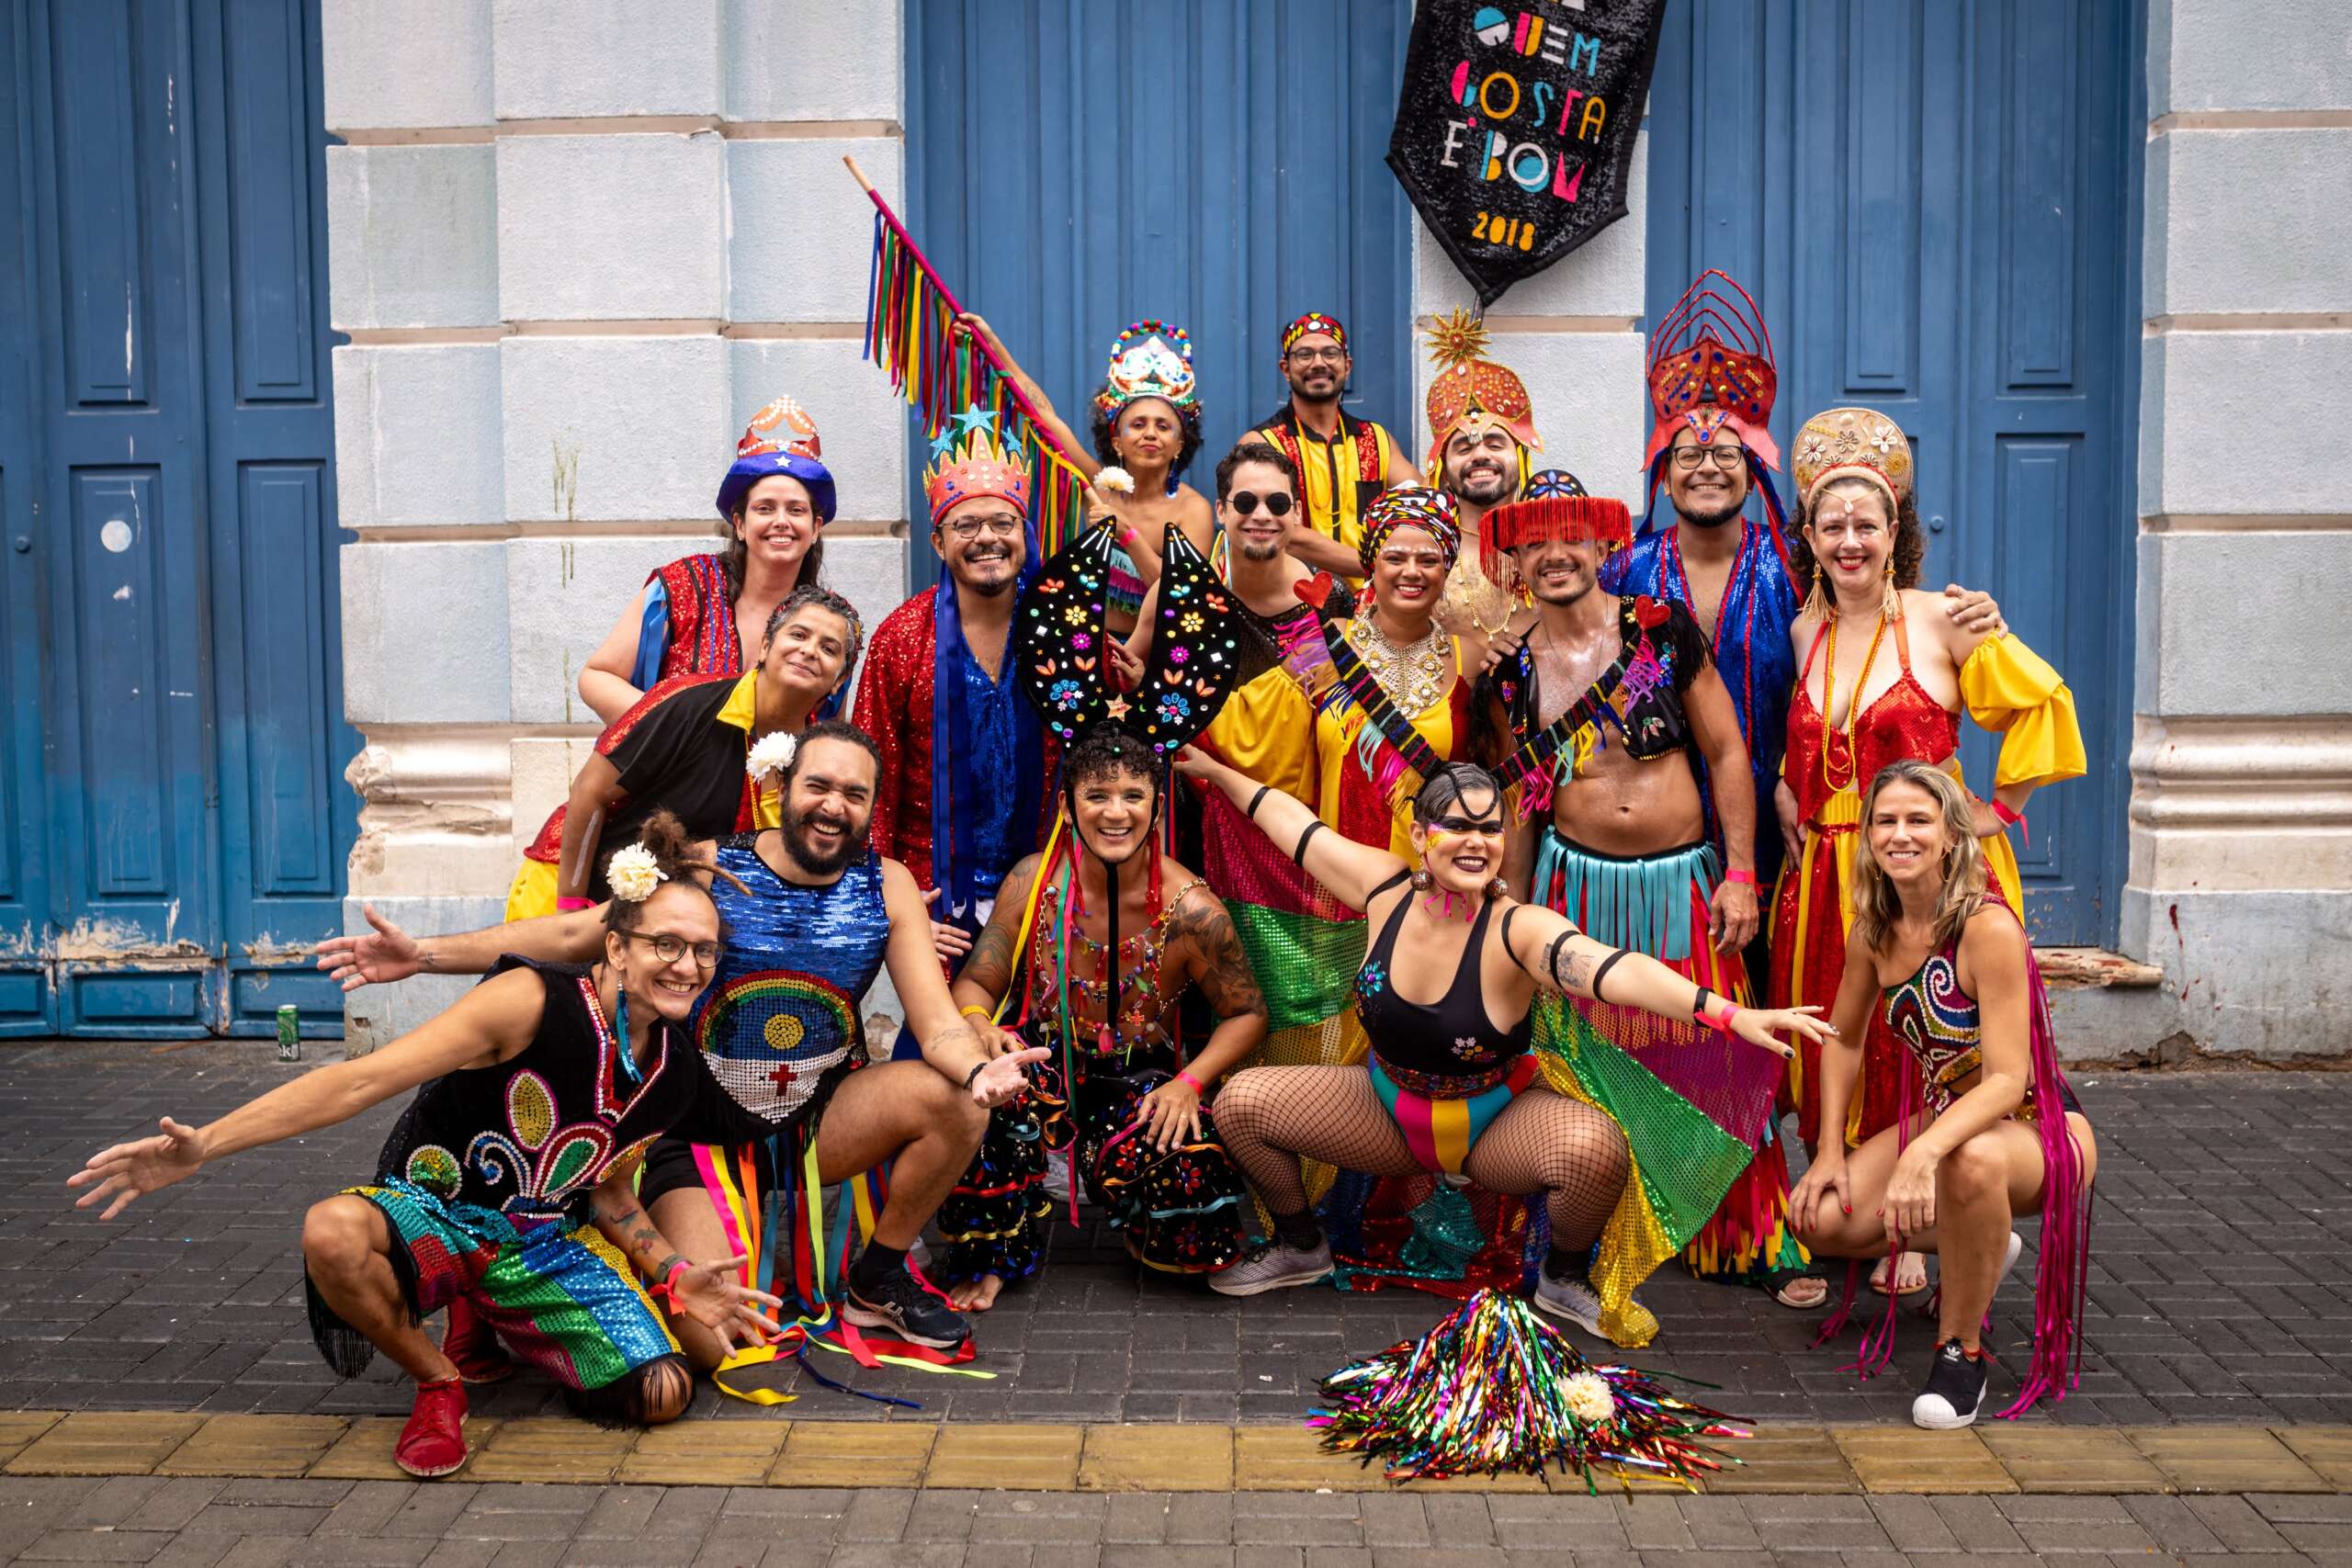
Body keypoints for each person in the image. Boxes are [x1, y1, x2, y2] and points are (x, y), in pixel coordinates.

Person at [317, 724, 1047, 1382]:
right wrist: (425, 954)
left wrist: (978, 1069)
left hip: (819, 1118)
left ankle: (874, 1281)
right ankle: (572, 1290)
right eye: (818, 785)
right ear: (780, 788)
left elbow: (939, 1019)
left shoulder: (884, 884)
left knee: (954, 1102)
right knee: (712, 1347)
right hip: (691, 1127)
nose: (834, 805)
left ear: (872, 807)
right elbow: (575, 937)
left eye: (854, 794)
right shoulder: (705, 864)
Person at [74, 818, 785, 1478]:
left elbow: (608, 1188)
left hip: (540, 1244)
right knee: (332, 1230)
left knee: (663, 1390)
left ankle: (490, 1312)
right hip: (435, 1211)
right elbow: (363, 1080)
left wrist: (672, 1271)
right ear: (617, 946)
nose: (687, 965)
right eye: (666, 944)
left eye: (703, 949)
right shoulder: (530, 999)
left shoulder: (674, 1068)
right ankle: (438, 1379)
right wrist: (206, 1144)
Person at [1177, 751, 1831, 1338]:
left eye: (1489, 828)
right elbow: (1294, 827)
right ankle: (1300, 1243)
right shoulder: (1382, 888)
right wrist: (1217, 774)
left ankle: (1564, 1274)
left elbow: (1612, 969)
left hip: (1495, 1126)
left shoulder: (1521, 929)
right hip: (1383, 1109)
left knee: (1595, 1149)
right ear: (1420, 834)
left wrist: (1724, 1013)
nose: (1474, 841)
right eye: (1456, 825)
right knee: (1241, 1103)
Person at [1481, 473, 1817, 1314]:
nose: (1556, 554)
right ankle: (1601, 1229)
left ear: (1604, 547)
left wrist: (1740, 871)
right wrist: (1512, 913)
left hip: (1679, 883)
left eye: (1573, 536)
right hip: (1571, 884)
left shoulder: (1662, 635)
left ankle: (1749, 1234)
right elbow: (1521, 796)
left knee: (1713, 1049)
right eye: (1535, 541)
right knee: (1581, 1060)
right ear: (1517, 559)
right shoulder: (1512, 669)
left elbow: (1729, 753)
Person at [1772, 406, 2086, 1295]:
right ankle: (1847, 1189)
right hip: (1827, 869)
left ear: (1893, 529)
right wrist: (1793, 801)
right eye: (1830, 525)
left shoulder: (1943, 617)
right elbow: (1800, 753)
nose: (1848, 541)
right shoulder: (1804, 631)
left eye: (1864, 524)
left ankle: (1926, 1227)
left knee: (1928, 1038)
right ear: (1808, 533)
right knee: (1839, 1035)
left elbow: (2042, 700)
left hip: (1926, 863)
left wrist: (1992, 808)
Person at [931, 510, 1263, 1308]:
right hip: (1042, 1066)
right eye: (1098, 795)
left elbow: (1246, 1014)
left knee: (1190, 1181)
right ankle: (998, 1250)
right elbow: (976, 980)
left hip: (1139, 1079)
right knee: (973, 1116)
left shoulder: (1191, 906)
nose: (1115, 812)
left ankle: (1125, 1198)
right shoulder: (1032, 882)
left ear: (1157, 803)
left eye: (1132, 796)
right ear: (1071, 802)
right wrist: (984, 1034)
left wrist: (1188, 1082)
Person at [1600, 273, 2006, 914]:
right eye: (1689, 453)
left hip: (1788, 825)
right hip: (1659, 829)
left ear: (1754, 467)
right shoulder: (1621, 570)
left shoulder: (1795, 567)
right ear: (1663, 472)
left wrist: (1980, 621)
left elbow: (1871, 628)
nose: (1708, 464)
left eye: (1727, 452)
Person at [1789, 761, 2096, 1428]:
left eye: (1918, 820)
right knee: (1818, 1218)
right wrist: (1830, 1151)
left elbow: (2009, 1080)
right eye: (1885, 820)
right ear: (1868, 834)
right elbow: (1841, 1038)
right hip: (1952, 1118)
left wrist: (1921, 1151)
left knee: (1971, 1162)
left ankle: (1962, 1352)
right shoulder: (1874, 929)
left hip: (2039, 1125)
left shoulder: (1987, 929)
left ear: (1953, 835)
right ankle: (1978, 1242)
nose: (1900, 834)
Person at [508, 397, 842, 919]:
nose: (781, 522)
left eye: (796, 510)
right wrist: (671, 732)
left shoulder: (822, 631)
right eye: (765, 508)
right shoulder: (683, 587)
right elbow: (595, 676)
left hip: (730, 861)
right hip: (630, 829)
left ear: (817, 526)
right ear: (738, 521)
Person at [853, 408, 1058, 968]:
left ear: (1025, 534)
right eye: (966, 526)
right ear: (939, 543)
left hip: (1046, 895)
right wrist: (894, 903)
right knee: (944, 1048)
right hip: (933, 904)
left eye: (1002, 523)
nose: (986, 538)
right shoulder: (901, 636)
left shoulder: (1063, 633)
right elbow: (868, 781)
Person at [549, 585, 861, 907]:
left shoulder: (817, 757)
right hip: (584, 898)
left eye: (829, 649)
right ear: (765, 646)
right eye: (798, 635)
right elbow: (589, 790)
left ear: (839, 679)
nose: (809, 650)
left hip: (697, 933)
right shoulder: (688, 703)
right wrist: (570, 908)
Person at [953, 313, 1216, 631]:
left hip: (1163, 655)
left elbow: (1186, 596)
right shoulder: (1098, 487)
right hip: (1088, 646)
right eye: (1137, 424)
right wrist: (991, 343)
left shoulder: (1194, 509)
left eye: (1163, 426)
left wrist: (1128, 535)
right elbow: (1043, 415)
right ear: (1117, 441)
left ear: (1179, 444)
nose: (1150, 434)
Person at [1247, 311, 1419, 579]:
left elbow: (1423, 511)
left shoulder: (1375, 440)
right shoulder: (1264, 443)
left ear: (1347, 366)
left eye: (1330, 353)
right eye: (1305, 355)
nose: (1318, 363)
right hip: (1292, 606)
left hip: (1374, 608)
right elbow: (1282, 534)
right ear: (1285, 369)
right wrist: (1385, 567)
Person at [1420, 309, 1535, 652]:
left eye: (1495, 443)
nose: (1480, 456)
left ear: (1521, 456)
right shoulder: (1427, 550)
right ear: (1442, 467)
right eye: (1462, 448)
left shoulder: (1554, 542)